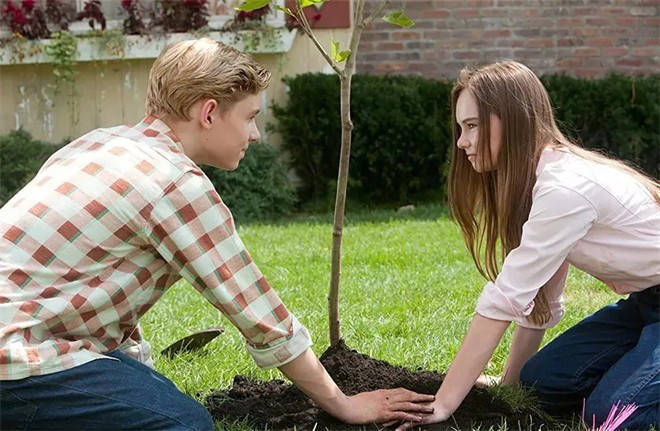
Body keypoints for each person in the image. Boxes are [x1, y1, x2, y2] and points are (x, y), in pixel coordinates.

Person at [0, 38, 435, 430]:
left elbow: (99, 287)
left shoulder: (98, 144)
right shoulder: (175, 184)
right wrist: (344, 404)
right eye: (250, 117)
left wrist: (136, 371)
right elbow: (261, 316)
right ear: (209, 113)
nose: (255, 134)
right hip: (14, 359)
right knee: (185, 424)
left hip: (25, 333)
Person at [396, 61, 659, 431]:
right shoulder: (543, 184)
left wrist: (443, 403)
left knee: (610, 415)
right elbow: (541, 295)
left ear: (511, 120)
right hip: (645, 305)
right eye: (460, 128)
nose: (461, 141)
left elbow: (505, 300)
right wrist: (510, 383)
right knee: (539, 381)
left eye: (472, 126)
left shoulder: (564, 188)